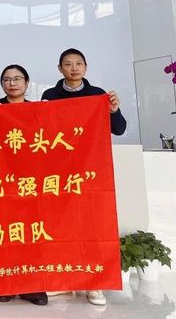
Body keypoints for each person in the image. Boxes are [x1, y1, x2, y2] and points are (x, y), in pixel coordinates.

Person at [41, 48, 127, 307]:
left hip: (91, 173)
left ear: (85, 67)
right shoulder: (49, 96)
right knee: (61, 226)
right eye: (68, 64)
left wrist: (113, 110)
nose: (74, 68)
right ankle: (63, 280)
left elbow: (119, 129)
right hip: (59, 172)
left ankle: (94, 283)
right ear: (60, 69)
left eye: (78, 63)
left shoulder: (98, 94)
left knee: (92, 227)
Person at [0, 64, 48, 307]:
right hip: (0, 181)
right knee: (3, 232)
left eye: (17, 78)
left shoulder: (39, 110)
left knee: (31, 233)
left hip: (31, 182)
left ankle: (32, 285)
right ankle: (5, 284)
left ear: (27, 83)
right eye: (7, 79)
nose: (12, 83)